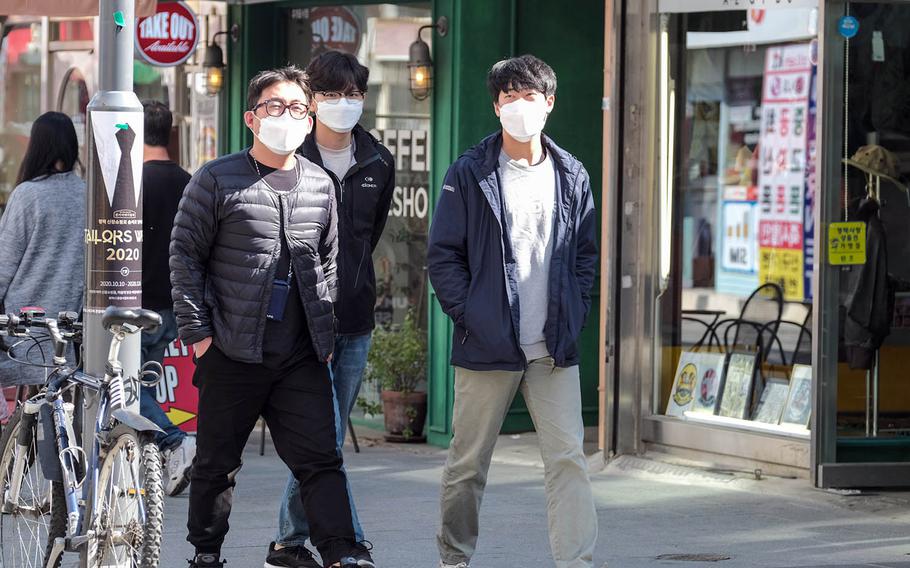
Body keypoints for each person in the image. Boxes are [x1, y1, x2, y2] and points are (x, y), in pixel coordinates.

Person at [170, 65, 374, 568]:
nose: (286, 116)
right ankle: (206, 553)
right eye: (274, 106)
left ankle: (340, 552)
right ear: (251, 118)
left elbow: (328, 261)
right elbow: (184, 257)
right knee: (217, 465)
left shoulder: (321, 185)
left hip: (300, 354)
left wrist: (323, 337)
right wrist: (199, 337)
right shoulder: (217, 178)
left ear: (309, 122)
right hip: (231, 352)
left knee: (320, 460)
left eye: (297, 109)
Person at [427, 55, 599, 568]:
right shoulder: (470, 171)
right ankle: (454, 558)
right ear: (495, 107)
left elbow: (585, 254)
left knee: (568, 460)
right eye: (508, 98)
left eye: (529, 97)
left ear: (549, 103)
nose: (518, 107)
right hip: (487, 344)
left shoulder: (571, 174)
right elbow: (443, 255)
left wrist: (575, 312)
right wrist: (472, 316)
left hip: (552, 347)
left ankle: (577, 562)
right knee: (467, 464)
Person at [268, 50, 394, 568]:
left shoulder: (379, 161)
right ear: (312, 100)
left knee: (328, 438)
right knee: (323, 439)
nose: (344, 104)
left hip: (355, 318)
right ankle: (349, 544)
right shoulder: (288, 156)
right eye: (332, 94)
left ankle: (288, 542)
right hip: (300, 320)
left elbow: (371, 234)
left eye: (354, 95)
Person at [0, 112, 85, 389]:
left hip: (27, 325)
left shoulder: (27, 195)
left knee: (27, 412)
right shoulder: (88, 194)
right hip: (73, 325)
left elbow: (4, 264)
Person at [138, 100, 196, 497]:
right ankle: (156, 463)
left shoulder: (130, 183)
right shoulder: (190, 181)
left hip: (133, 305)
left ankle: (174, 441)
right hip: (174, 304)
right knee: (144, 383)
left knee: (123, 385)